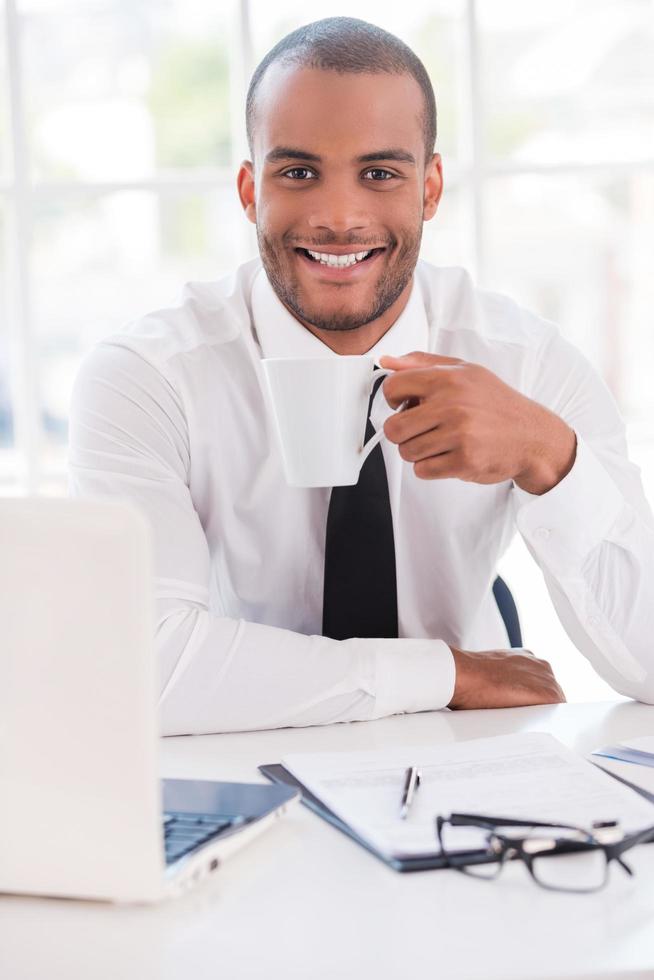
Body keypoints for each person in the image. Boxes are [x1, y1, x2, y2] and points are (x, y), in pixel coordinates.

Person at [68, 17, 654, 734]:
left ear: (430, 188)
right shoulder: (146, 378)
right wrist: (449, 672)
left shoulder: (526, 363)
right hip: (238, 747)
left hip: (474, 763)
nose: (339, 217)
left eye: (380, 174)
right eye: (299, 172)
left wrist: (551, 457)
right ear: (251, 191)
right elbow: (143, 670)